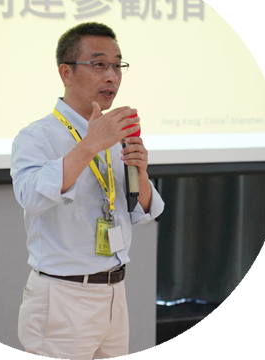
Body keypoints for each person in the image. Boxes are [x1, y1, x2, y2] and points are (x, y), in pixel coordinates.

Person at [11, 22, 164, 360]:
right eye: (99, 64)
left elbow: (140, 211)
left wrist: (141, 174)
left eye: (117, 66)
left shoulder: (117, 135)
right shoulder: (37, 137)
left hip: (114, 292)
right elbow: (31, 198)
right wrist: (90, 145)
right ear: (66, 73)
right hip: (63, 296)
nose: (111, 76)